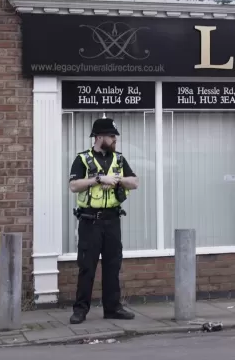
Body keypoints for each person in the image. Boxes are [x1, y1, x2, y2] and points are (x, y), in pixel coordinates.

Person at [67, 117, 139, 324]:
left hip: (112, 220)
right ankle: (80, 310)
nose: (114, 139)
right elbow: (73, 186)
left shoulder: (119, 159)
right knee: (87, 266)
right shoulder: (82, 159)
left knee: (112, 265)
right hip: (90, 221)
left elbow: (134, 182)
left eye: (114, 135)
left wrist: (116, 180)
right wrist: (98, 179)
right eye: (111, 135)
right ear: (99, 137)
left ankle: (113, 308)